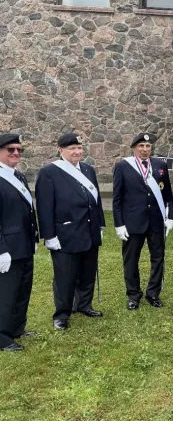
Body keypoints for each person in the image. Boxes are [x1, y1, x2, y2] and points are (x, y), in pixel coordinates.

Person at [36, 133, 105, 330]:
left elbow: (96, 200)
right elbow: (44, 206)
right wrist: (49, 236)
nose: (77, 152)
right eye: (71, 149)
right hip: (65, 233)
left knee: (87, 272)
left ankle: (84, 305)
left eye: (79, 148)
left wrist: (100, 224)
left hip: (89, 231)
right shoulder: (50, 172)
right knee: (65, 277)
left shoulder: (88, 170)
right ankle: (62, 314)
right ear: (61, 150)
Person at [112, 133, 173, 310]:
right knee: (131, 260)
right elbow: (117, 199)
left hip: (156, 221)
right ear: (134, 148)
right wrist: (119, 224)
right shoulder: (123, 167)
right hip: (133, 222)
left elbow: (168, 195)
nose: (145, 150)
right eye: (141, 146)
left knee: (158, 259)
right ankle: (133, 295)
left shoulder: (160, 165)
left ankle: (153, 293)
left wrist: (171, 217)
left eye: (148, 146)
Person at [0, 134, 38, 351]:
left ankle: (17, 328)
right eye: (10, 149)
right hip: (7, 248)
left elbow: (28, 212)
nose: (16, 153)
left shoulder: (20, 177)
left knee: (23, 290)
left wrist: (34, 237)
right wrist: (1, 250)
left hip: (24, 244)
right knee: (6, 294)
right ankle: (3, 338)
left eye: (19, 150)